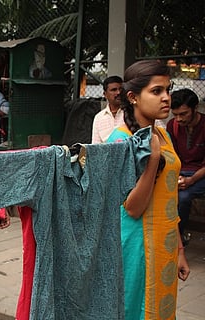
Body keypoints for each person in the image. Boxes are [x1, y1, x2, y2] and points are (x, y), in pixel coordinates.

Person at [106, 60, 190, 320]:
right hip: (137, 248)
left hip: (164, 246)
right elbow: (132, 208)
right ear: (132, 97)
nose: (167, 98)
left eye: (168, 89)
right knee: (136, 311)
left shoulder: (163, 135)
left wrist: (179, 250)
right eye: (156, 91)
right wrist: (152, 161)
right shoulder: (120, 141)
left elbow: (169, 199)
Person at [166, 88, 205, 242]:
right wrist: (177, 177)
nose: (179, 119)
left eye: (183, 114)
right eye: (175, 114)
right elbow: (172, 156)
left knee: (183, 197)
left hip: (200, 174)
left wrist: (191, 180)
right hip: (180, 173)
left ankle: (177, 240)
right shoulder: (172, 126)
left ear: (195, 108)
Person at [91, 75, 123, 143]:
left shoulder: (131, 112)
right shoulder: (99, 118)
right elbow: (95, 145)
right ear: (105, 94)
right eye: (114, 90)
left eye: (121, 89)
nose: (118, 93)